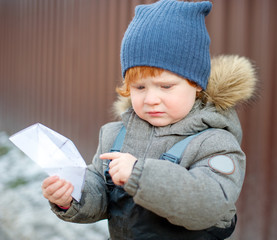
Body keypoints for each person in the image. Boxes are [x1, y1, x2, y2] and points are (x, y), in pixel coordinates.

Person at [41, 0, 257, 239]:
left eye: (165, 86)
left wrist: (139, 174)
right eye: (140, 87)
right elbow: (101, 193)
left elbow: (209, 203)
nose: (151, 99)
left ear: (196, 84)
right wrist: (73, 194)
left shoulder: (214, 142)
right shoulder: (116, 135)